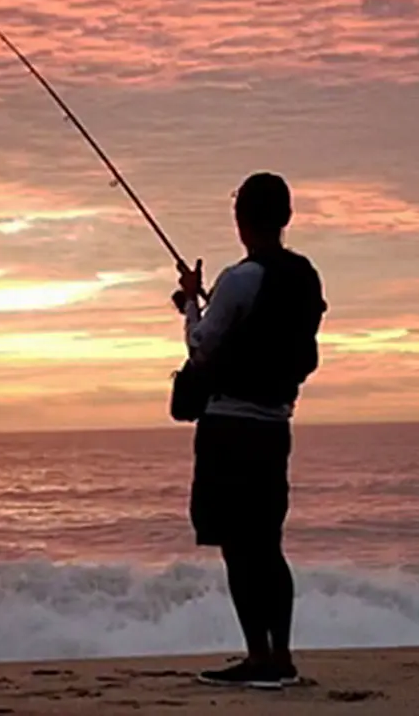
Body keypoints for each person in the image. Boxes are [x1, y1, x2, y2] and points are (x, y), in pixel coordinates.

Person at [173, 171, 326, 690]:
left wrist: (193, 300)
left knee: (239, 548)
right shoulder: (305, 278)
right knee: (269, 543)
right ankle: (280, 655)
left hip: (229, 428)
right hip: (275, 426)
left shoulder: (239, 279)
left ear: (241, 221)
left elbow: (202, 346)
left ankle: (257, 658)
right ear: (285, 218)